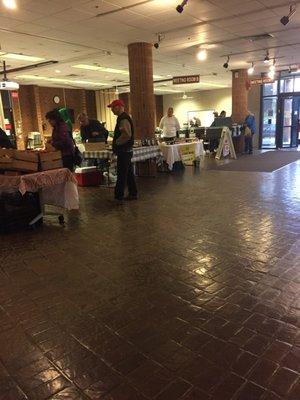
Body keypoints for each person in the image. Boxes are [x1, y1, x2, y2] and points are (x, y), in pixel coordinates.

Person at [108, 99, 137, 203]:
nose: (111, 110)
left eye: (113, 107)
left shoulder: (123, 119)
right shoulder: (122, 118)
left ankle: (118, 197)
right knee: (128, 173)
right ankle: (133, 193)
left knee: (121, 175)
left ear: (119, 107)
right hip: (127, 151)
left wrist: (117, 143)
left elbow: (126, 135)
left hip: (124, 151)